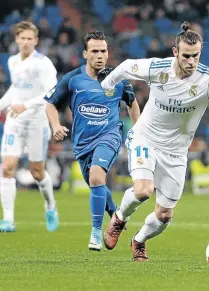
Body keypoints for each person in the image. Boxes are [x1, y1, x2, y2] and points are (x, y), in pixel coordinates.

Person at [101, 21, 209, 262]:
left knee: (165, 214)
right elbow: (125, 67)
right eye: (186, 56)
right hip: (146, 137)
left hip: (176, 152)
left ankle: (139, 241)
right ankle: (119, 219)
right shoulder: (158, 68)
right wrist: (106, 86)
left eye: (195, 56)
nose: (191, 61)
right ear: (175, 52)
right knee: (143, 191)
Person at [11, 31, 140, 250]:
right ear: (85, 54)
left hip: (109, 136)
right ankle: (116, 214)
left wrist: (138, 133)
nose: (100, 55)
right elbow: (50, 103)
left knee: (98, 177)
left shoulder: (118, 80)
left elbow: (132, 103)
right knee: (95, 183)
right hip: (82, 144)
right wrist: (56, 126)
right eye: (95, 51)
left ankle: (96, 233)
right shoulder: (72, 79)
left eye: (104, 51)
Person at [0, 21, 59, 232]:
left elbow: (51, 93)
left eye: (29, 39)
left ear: (36, 41)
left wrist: (25, 105)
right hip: (15, 120)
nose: (25, 42)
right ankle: (8, 220)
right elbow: (15, 91)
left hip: (37, 121)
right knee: (6, 167)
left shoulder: (43, 64)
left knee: (37, 172)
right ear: (16, 39)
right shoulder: (13, 61)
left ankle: (50, 205)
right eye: (22, 38)